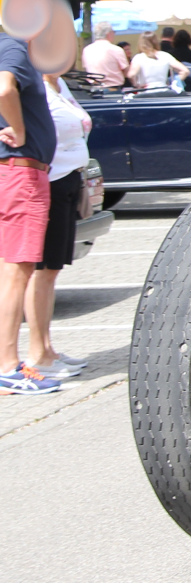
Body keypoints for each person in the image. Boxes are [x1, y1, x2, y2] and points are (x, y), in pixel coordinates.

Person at [0, 31, 60, 394]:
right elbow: (4, 88)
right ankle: (7, 365)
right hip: (22, 172)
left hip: (15, 172)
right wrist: (19, 131)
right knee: (16, 272)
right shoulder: (13, 47)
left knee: (10, 271)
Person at [25, 74, 91, 380]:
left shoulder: (58, 83)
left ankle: (47, 348)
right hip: (46, 182)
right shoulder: (32, 80)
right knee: (41, 271)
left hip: (67, 179)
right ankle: (37, 354)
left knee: (51, 271)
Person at [80, 21, 130, 90]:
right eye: (113, 32)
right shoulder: (115, 49)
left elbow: (86, 68)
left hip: (94, 88)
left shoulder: (87, 50)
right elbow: (127, 71)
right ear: (108, 34)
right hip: (113, 88)